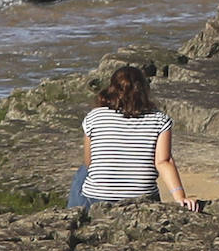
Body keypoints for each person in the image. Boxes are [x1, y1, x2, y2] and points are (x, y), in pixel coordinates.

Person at [68, 65, 199, 212]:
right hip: (142, 198)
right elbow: (164, 162)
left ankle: (75, 213)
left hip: (98, 198)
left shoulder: (94, 116)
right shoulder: (159, 119)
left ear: (112, 89)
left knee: (83, 171)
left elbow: (89, 161)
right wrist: (180, 197)